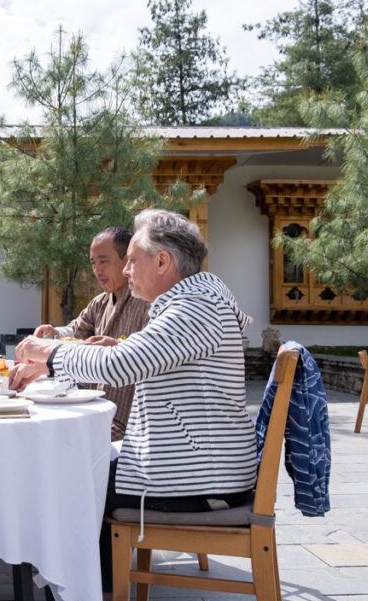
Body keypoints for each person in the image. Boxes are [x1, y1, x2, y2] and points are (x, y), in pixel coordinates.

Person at [13, 208, 257, 512]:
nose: (126, 271)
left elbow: (120, 363)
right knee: (73, 467)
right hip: (189, 467)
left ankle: (88, 560)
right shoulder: (190, 301)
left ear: (162, 261)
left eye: (131, 260)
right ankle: (96, 560)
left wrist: (47, 351)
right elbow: (127, 354)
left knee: (64, 480)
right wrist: (48, 363)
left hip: (199, 477)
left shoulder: (196, 306)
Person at [30, 226, 150, 440]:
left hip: (130, 424)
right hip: (98, 412)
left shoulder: (146, 301)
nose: (97, 270)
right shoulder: (101, 302)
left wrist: (119, 346)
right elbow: (77, 330)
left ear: (126, 261)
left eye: (103, 261)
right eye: (93, 263)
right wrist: (54, 332)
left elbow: (146, 353)